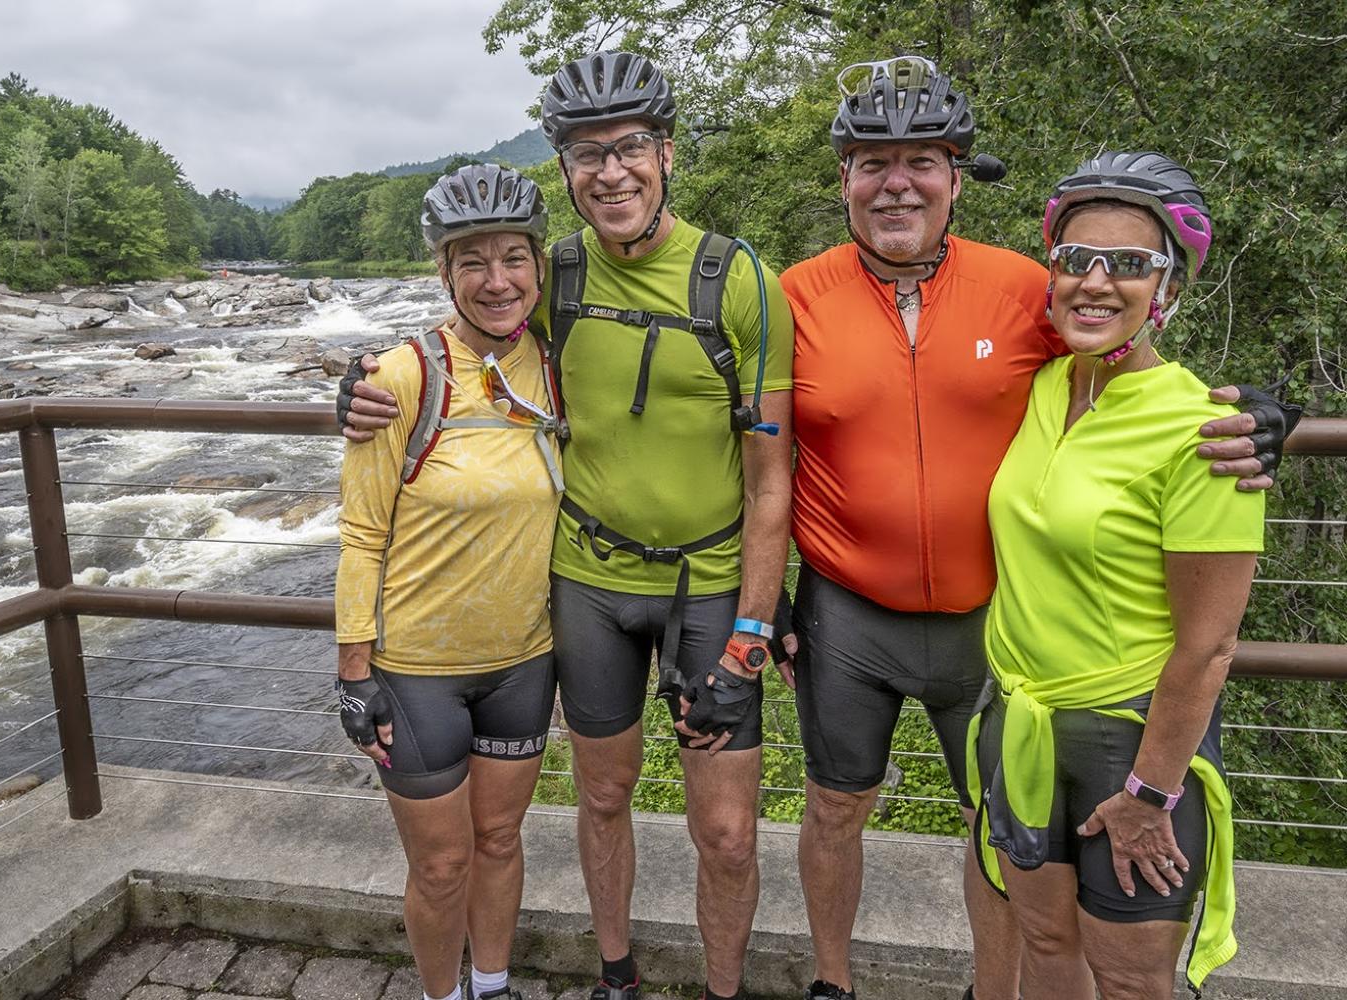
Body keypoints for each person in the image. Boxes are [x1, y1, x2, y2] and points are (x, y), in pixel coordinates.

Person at [779, 58, 1295, 1000]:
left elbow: (1131, 349)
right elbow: (749, 448)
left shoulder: (1027, 287)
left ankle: (996, 990)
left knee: (993, 839)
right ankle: (832, 981)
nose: (897, 180)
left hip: (994, 624)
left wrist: (1263, 414)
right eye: (872, 161)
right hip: (850, 610)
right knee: (836, 803)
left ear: (958, 175)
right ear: (844, 178)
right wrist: (756, 596)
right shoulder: (792, 296)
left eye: (922, 160)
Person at [339, 51, 795, 1000]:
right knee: (602, 796)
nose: (612, 170)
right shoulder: (558, 274)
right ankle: (616, 977)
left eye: (631, 146)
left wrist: (753, 628)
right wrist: (358, 386)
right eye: (588, 153)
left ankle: (723, 989)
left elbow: (769, 477)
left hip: (706, 587)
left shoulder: (738, 279)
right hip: (586, 584)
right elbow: (475, 319)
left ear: (668, 152)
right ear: (566, 170)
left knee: (727, 831)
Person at [970, 150, 1263, 1000]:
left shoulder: (1205, 431)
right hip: (1020, 721)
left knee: (1133, 980)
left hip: (1130, 742)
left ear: (1167, 289)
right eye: (1075, 260)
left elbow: (1209, 648)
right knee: (1046, 944)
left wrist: (1148, 793)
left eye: (1130, 264)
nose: (1096, 282)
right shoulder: (1042, 385)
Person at [334, 163, 563, 1000]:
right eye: (473, 261)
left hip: (524, 661)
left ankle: (492, 985)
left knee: (500, 841)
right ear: (444, 273)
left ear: (539, 267)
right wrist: (354, 672)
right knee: (440, 864)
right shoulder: (401, 378)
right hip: (418, 669)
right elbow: (361, 533)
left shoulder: (555, 359)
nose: (497, 280)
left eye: (513, 258)